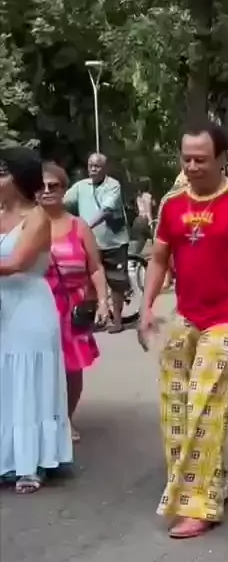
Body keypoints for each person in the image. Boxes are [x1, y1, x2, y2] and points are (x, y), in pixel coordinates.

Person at [138, 121, 228, 540]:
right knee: (175, 408)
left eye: (201, 159)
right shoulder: (172, 204)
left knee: (204, 406)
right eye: (187, 159)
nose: (192, 167)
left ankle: (200, 506)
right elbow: (160, 258)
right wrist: (146, 307)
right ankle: (210, 481)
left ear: (221, 159)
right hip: (186, 316)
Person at [0, 147, 72, 493]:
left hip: (29, 306)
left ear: (19, 178)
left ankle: (33, 463)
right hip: (3, 306)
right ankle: (8, 458)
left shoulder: (38, 217)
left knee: (29, 380)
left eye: (2, 173)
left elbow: (17, 263)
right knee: (7, 382)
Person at [41, 162, 109, 442]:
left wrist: (103, 301)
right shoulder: (23, 225)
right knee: (39, 368)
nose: (47, 191)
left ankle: (66, 419)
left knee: (72, 368)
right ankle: (43, 420)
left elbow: (95, 268)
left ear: (64, 190)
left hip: (72, 309)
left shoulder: (78, 226)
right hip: (37, 308)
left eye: (53, 186)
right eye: (42, 186)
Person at [64, 153, 130, 333]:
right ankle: (95, 317)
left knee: (116, 282)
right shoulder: (80, 186)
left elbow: (106, 210)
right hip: (91, 244)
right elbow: (63, 201)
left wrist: (85, 227)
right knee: (91, 282)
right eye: (91, 165)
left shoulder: (113, 185)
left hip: (114, 242)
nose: (93, 169)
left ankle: (117, 320)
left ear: (105, 168)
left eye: (97, 166)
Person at [131, 178, 154, 255]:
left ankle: (135, 255)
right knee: (156, 238)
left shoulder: (138, 196)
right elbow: (148, 212)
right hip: (144, 220)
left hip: (138, 219)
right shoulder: (147, 196)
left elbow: (138, 209)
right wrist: (151, 223)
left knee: (142, 239)